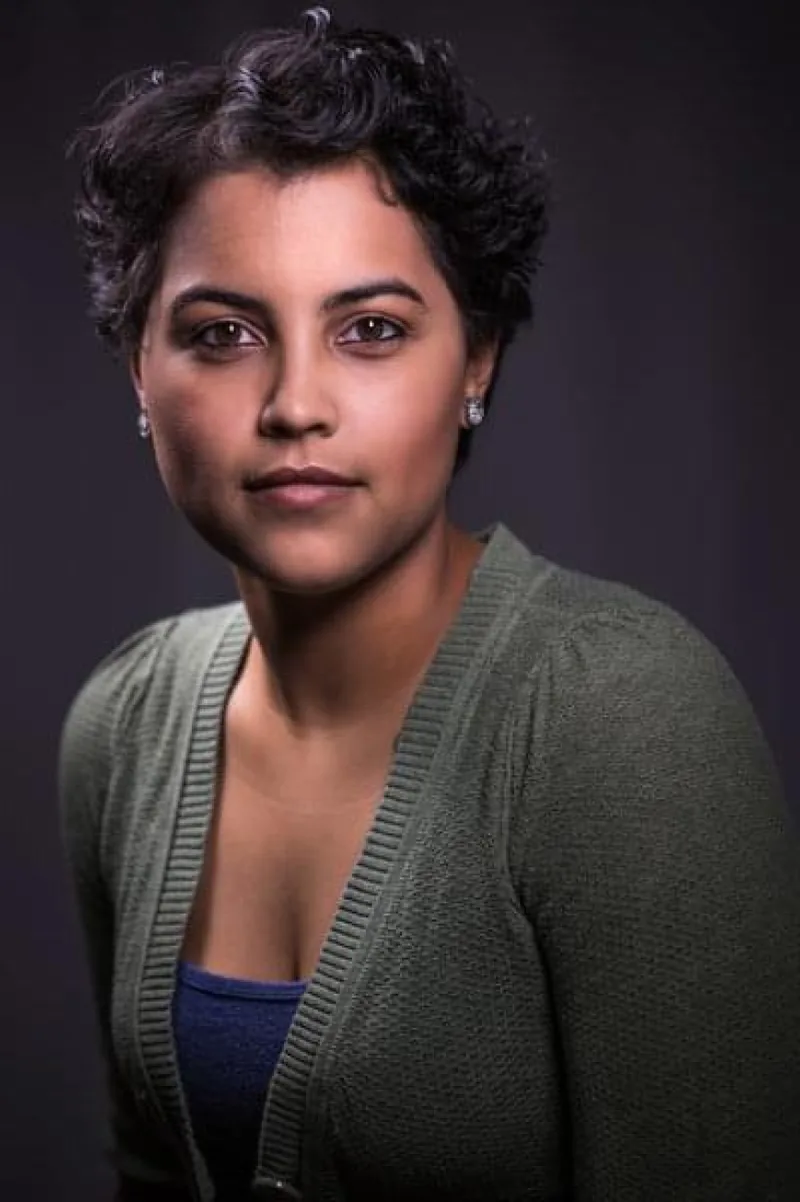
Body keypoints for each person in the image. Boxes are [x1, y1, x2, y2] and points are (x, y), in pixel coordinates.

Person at [57, 7, 800, 1202]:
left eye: (369, 330)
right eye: (223, 332)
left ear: (475, 361)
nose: (295, 401)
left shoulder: (621, 720)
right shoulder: (122, 720)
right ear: (138, 369)